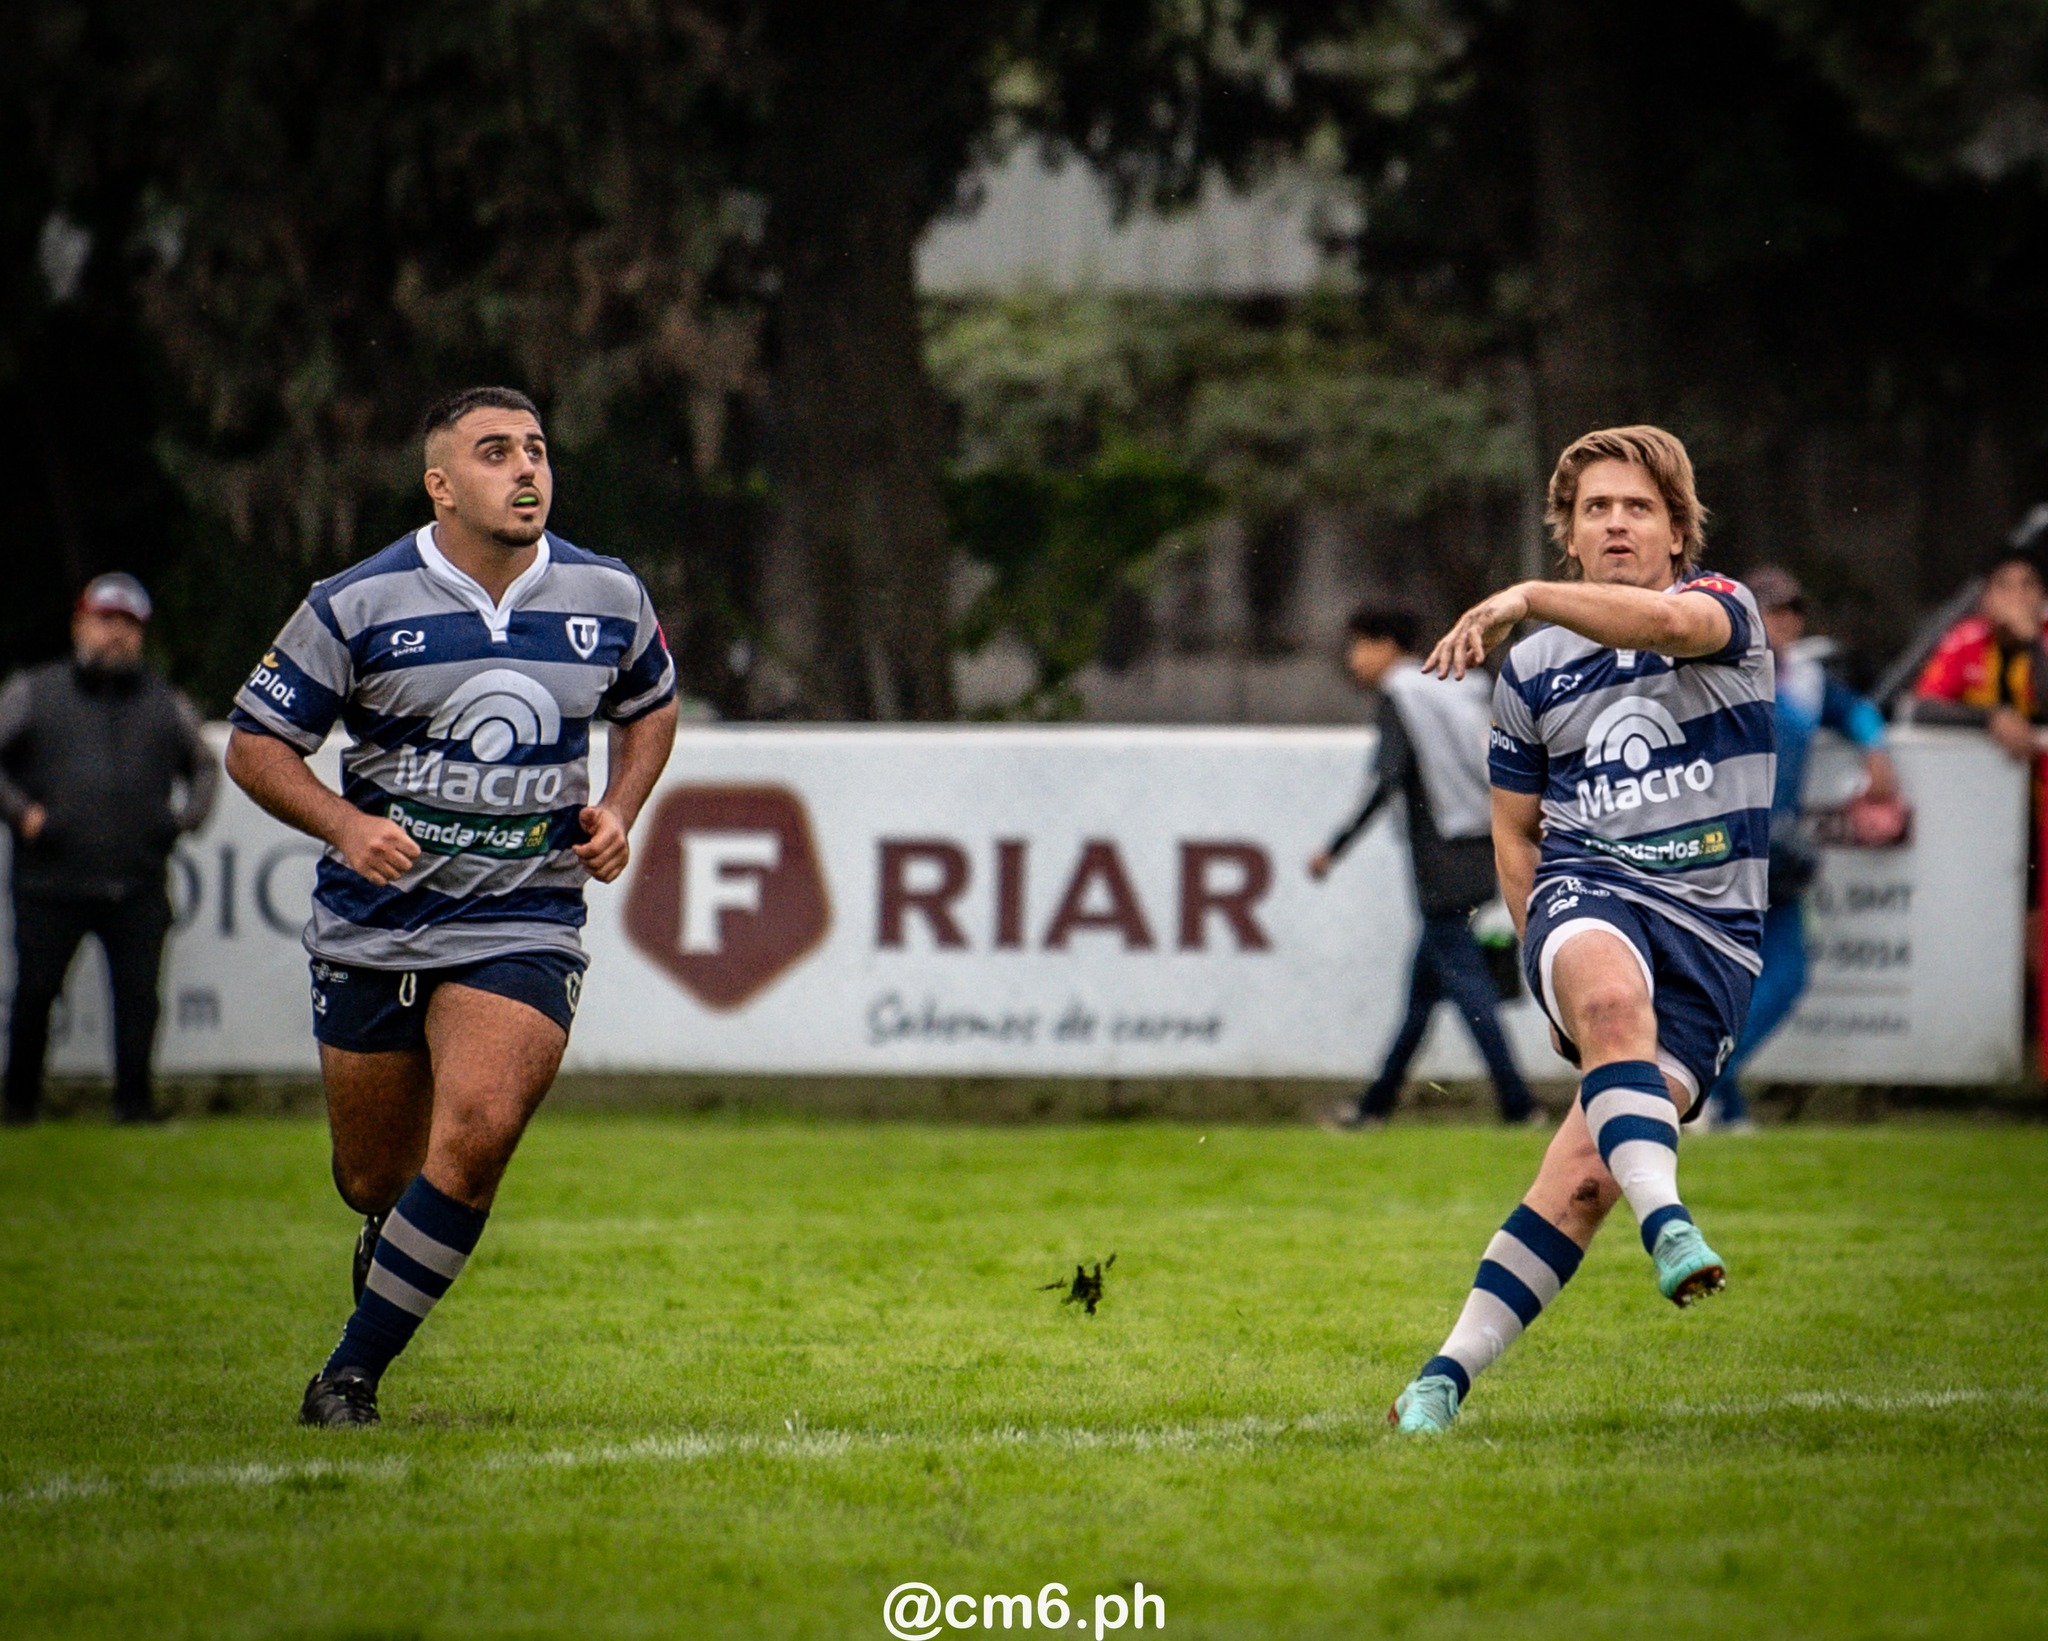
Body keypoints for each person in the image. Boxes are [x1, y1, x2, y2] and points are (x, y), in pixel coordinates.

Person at [224, 386, 678, 1428]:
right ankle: (389, 1239)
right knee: (373, 1178)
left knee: (475, 1136)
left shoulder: (606, 593)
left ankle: (348, 1377)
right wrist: (345, 827)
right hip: (373, 920)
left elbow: (651, 705)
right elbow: (255, 744)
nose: (525, 470)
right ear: (440, 485)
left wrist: (617, 805)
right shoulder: (355, 602)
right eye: (493, 453)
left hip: (525, 911)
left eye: (535, 450)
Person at [1386, 425, 1775, 1435]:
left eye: (1636, 507)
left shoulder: (1721, 612)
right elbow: (1514, 832)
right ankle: (1673, 1222)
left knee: (1581, 1182)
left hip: (1712, 938)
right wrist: (1542, 955)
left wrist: (1522, 597)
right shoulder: (1533, 674)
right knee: (1607, 999)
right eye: (1594, 507)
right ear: (1567, 527)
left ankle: (1441, 1377)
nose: (1613, 523)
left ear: (1675, 531)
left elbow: (1661, 626)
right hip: (1587, 891)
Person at [0, 574, 218, 1125]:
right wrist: (22, 813)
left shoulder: (165, 701)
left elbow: (204, 765)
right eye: (105, 621)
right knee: (36, 995)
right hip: (52, 880)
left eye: (128, 624)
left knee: (140, 1000)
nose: (115, 635)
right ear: (81, 624)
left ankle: (134, 1106)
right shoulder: (33, 691)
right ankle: (19, 1105)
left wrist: (184, 820)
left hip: (138, 880)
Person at [1309, 604, 1536, 1125]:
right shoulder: (1453, 683)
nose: (1354, 659)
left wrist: (1335, 847)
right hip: (1481, 844)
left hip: (1440, 857)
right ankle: (1374, 1107)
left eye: (1358, 645)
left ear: (1386, 643)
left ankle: (1519, 1105)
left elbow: (1385, 776)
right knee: (1422, 995)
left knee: (1467, 983)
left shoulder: (1401, 693)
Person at [1701, 567, 1899, 1129]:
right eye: (1770, 610)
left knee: (1781, 977)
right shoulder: (1718, 673)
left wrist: (1875, 750)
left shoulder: (1806, 679)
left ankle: (1716, 1098)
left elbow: (1855, 710)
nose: (1784, 621)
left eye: (1792, 611)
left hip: (1775, 853)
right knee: (1732, 982)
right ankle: (1710, 1090)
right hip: (1720, 847)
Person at [1907, 547, 2046, 762]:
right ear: (1985, 600)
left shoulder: (2043, 639)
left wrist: (2033, 643)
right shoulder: (1967, 639)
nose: (2017, 597)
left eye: (2028, 585)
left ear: (2042, 597)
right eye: (2004, 586)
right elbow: (1922, 709)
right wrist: (1990, 717)